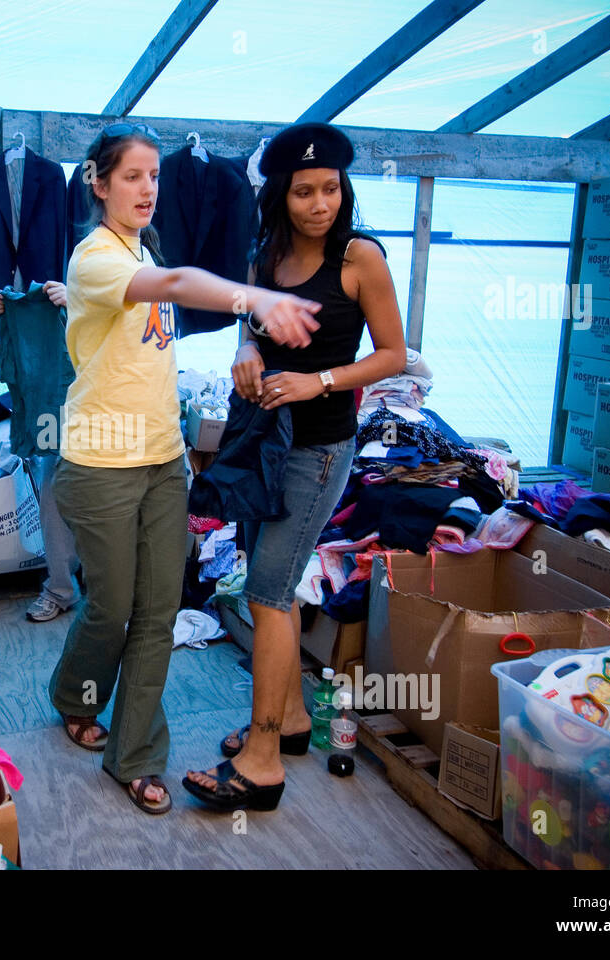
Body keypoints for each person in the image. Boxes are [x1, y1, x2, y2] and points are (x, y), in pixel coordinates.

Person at [50, 123, 322, 815]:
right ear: (98, 182)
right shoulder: (96, 259)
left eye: (153, 176)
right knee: (110, 609)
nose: (147, 189)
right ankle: (74, 695)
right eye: (132, 176)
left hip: (164, 460)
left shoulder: (145, 246)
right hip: (100, 464)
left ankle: (136, 755)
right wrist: (254, 298)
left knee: (159, 611)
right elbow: (173, 282)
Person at [182, 122, 406, 812]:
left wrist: (322, 380)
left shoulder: (360, 257)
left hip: (319, 451)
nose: (320, 204)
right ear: (280, 196)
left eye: (331, 189)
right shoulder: (264, 255)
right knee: (265, 582)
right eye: (304, 191)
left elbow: (395, 355)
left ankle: (262, 760)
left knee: (268, 594)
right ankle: (298, 724)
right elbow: (251, 327)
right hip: (262, 447)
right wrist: (244, 354)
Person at [0, 281, 84, 623]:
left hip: (114, 407)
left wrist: (78, 304)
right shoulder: (90, 251)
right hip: (62, 402)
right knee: (53, 492)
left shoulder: (147, 278)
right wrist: (16, 312)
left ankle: (119, 595)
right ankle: (61, 587)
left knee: (113, 504)